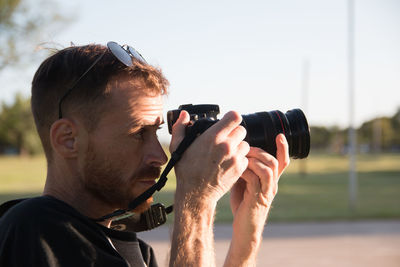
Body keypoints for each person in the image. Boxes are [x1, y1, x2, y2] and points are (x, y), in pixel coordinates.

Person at [0, 42, 290, 267]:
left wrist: (247, 235)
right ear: (68, 140)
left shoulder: (134, 250)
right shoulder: (34, 232)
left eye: (157, 133)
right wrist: (196, 200)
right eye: (139, 133)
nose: (160, 157)